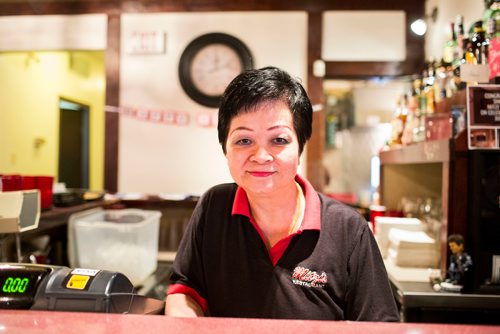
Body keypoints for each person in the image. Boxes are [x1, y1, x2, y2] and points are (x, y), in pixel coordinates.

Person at [165, 66, 399, 321]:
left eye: (279, 140)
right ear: (226, 149)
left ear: (300, 148)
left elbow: (379, 324)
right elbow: (185, 290)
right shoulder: (214, 206)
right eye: (244, 141)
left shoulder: (347, 229)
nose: (261, 156)